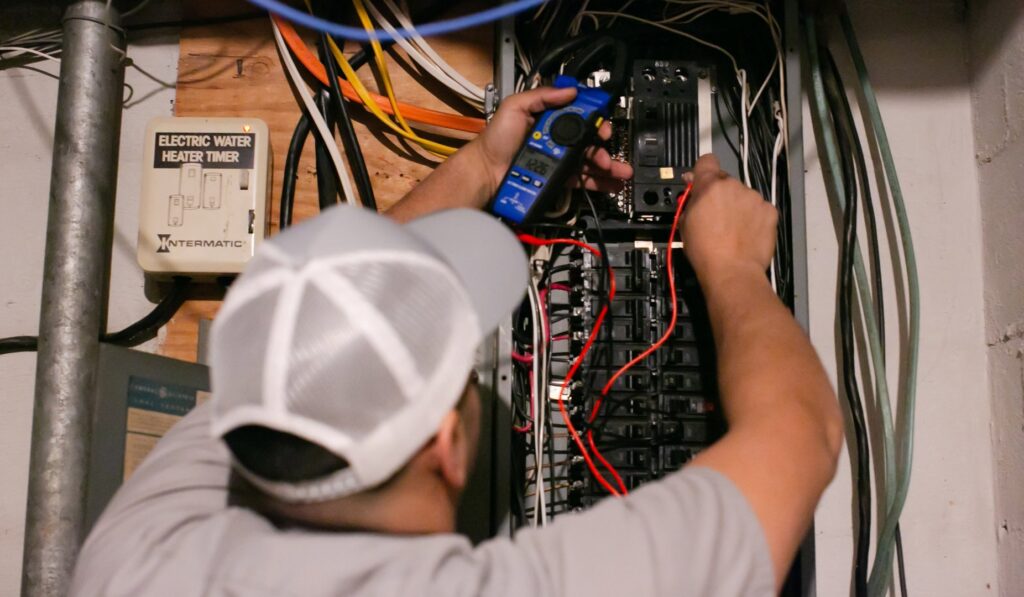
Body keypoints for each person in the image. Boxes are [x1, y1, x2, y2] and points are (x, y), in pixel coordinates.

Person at [71, 86, 842, 596]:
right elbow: (802, 433)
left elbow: (337, 308)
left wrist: (484, 164)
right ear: (448, 444)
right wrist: (733, 265)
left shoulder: (133, 560)